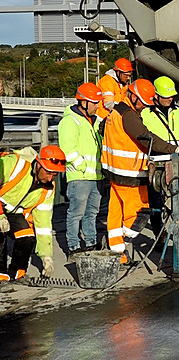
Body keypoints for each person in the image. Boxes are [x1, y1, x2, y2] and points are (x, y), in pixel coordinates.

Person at [102, 79, 179, 264]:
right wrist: (172, 149)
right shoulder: (129, 115)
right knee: (139, 213)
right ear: (133, 96)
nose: (143, 107)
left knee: (115, 213)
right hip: (129, 174)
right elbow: (146, 138)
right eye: (141, 102)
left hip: (114, 171)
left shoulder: (116, 111)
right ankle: (124, 241)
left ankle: (118, 253)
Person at [141, 76, 179, 240]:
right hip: (156, 167)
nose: (170, 99)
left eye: (171, 96)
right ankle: (160, 236)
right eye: (166, 96)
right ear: (156, 96)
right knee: (156, 205)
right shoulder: (145, 114)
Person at [0, 146, 65, 281]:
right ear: (38, 165)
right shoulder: (14, 164)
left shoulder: (47, 190)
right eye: (48, 172)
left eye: (55, 174)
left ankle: (17, 273)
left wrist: (46, 256)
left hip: (12, 212)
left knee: (27, 236)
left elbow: (44, 225)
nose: (50, 178)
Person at [58, 83, 105, 257]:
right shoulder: (70, 121)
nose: (97, 106)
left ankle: (91, 243)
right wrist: (82, 166)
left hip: (96, 175)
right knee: (76, 213)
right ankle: (73, 246)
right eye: (94, 102)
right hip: (80, 176)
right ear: (83, 102)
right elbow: (68, 149)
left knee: (92, 213)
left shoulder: (96, 121)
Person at [96, 58, 133, 123]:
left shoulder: (123, 84)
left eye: (129, 75)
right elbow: (109, 104)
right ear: (118, 72)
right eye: (126, 75)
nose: (128, 78)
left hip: (113, 117)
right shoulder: (107, 81)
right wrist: (125, 112)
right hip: (102, 118)